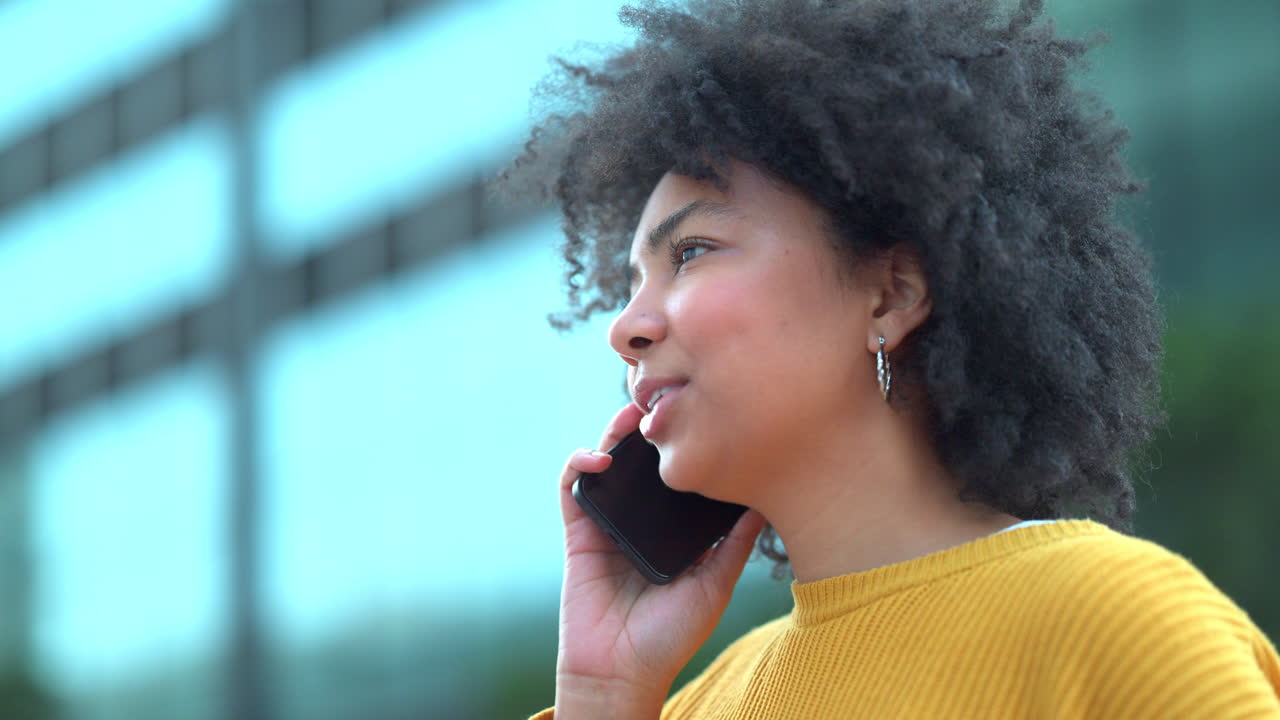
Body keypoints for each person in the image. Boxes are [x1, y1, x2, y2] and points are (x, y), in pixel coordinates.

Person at [494, 0, 1280, 717]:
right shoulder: (677, 704)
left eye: (692, 252)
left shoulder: (1118, 625)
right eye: (632, 282)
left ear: (891, 295)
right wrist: (602, 692)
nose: (623, 327)